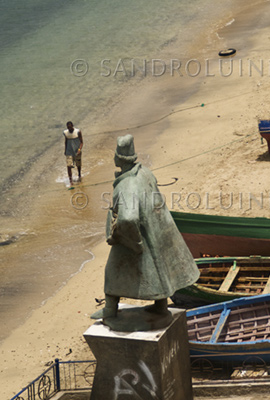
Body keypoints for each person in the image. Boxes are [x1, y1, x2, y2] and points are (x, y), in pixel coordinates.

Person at [93, 134, 199, 328]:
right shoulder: (145, 172)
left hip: (134, 236)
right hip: (155, 231)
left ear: (118, 159)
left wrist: (129, 240)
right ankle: (160, 306)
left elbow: (128, 217)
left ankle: (110, 310)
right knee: (159, 271)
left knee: (113, 272)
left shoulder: (127, 185)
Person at [63, 121, 83, 186]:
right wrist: (65, 150)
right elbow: (66, 142)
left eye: (70, 127)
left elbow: (81, 142)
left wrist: (79, 149)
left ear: (72, 126)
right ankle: (70, 181)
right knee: (69, 166)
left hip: (77, 151)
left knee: (78, 165)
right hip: (69, 151)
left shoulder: (78, 132)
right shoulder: (66, 133)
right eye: (68, 128)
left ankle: (79, 175)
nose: (69, 129)